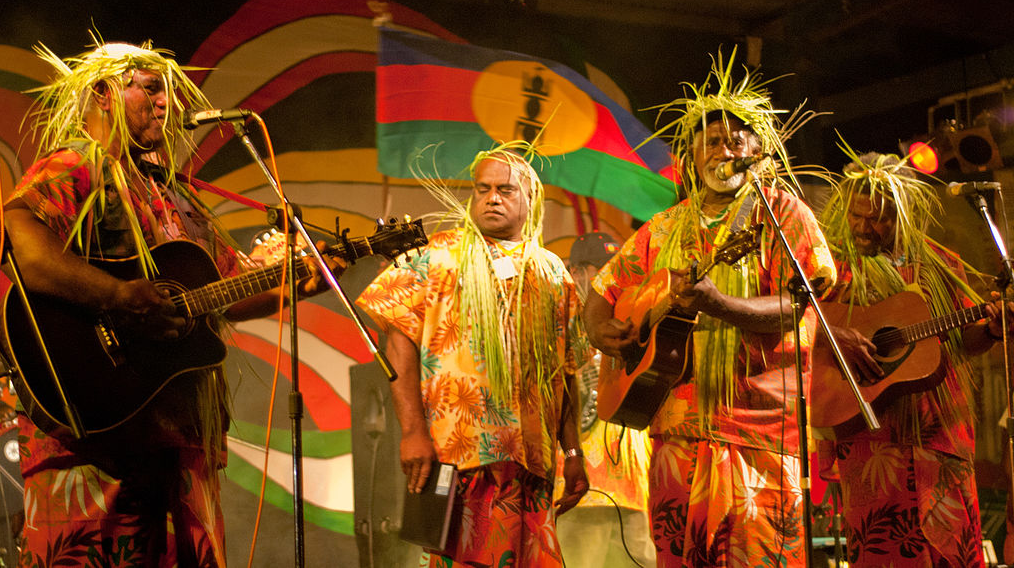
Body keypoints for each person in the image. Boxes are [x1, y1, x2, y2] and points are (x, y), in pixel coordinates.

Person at [1, 39, 337, 567]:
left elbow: (222, 294)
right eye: (152, 89)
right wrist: (116, 294)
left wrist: (295, 282)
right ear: (104, 92)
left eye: (170, 95)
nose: (167, 104)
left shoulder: (177, 194)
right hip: (95, 441)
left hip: (179, 443)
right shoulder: (74, 167)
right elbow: (24, 245)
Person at [583, 50, 836, 567]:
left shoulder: (782, 212)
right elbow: (604, 291)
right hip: (676, 428)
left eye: (735, 141)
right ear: (692, 158)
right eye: (711, 142)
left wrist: (720, 304)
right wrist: (599, 331)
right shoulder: (663, 227)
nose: (724, 151)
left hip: (759, 431)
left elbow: (801, 300)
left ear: (758, 150)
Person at [356, 146, 589, 567]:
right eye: (483, 189)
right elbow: (398, 346)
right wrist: (412, 432)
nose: (492, 198)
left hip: (530, 466)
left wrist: (572, 453)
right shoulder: (436, 255)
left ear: (529, 199)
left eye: (505, 189)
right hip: (460, 457)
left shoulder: (553, 272)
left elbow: (564, 372)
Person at [813, 149, 1011, 567]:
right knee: (881, 553)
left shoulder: (940, 266)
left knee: (952, 553)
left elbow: (964, 342)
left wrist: (992, 330)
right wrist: (836, 339)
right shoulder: (832, 271)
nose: (866, 227)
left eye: (879, 217)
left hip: (940, 435)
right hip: (871, 442)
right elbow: (806, 326)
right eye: (857, 216)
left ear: (900, 215)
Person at [555, 231, 656, 568]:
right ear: (577, 273)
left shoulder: (632, 319)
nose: (614, 282)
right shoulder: (562, 324)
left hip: (636, 489)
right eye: (603, 271)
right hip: (584, 491)